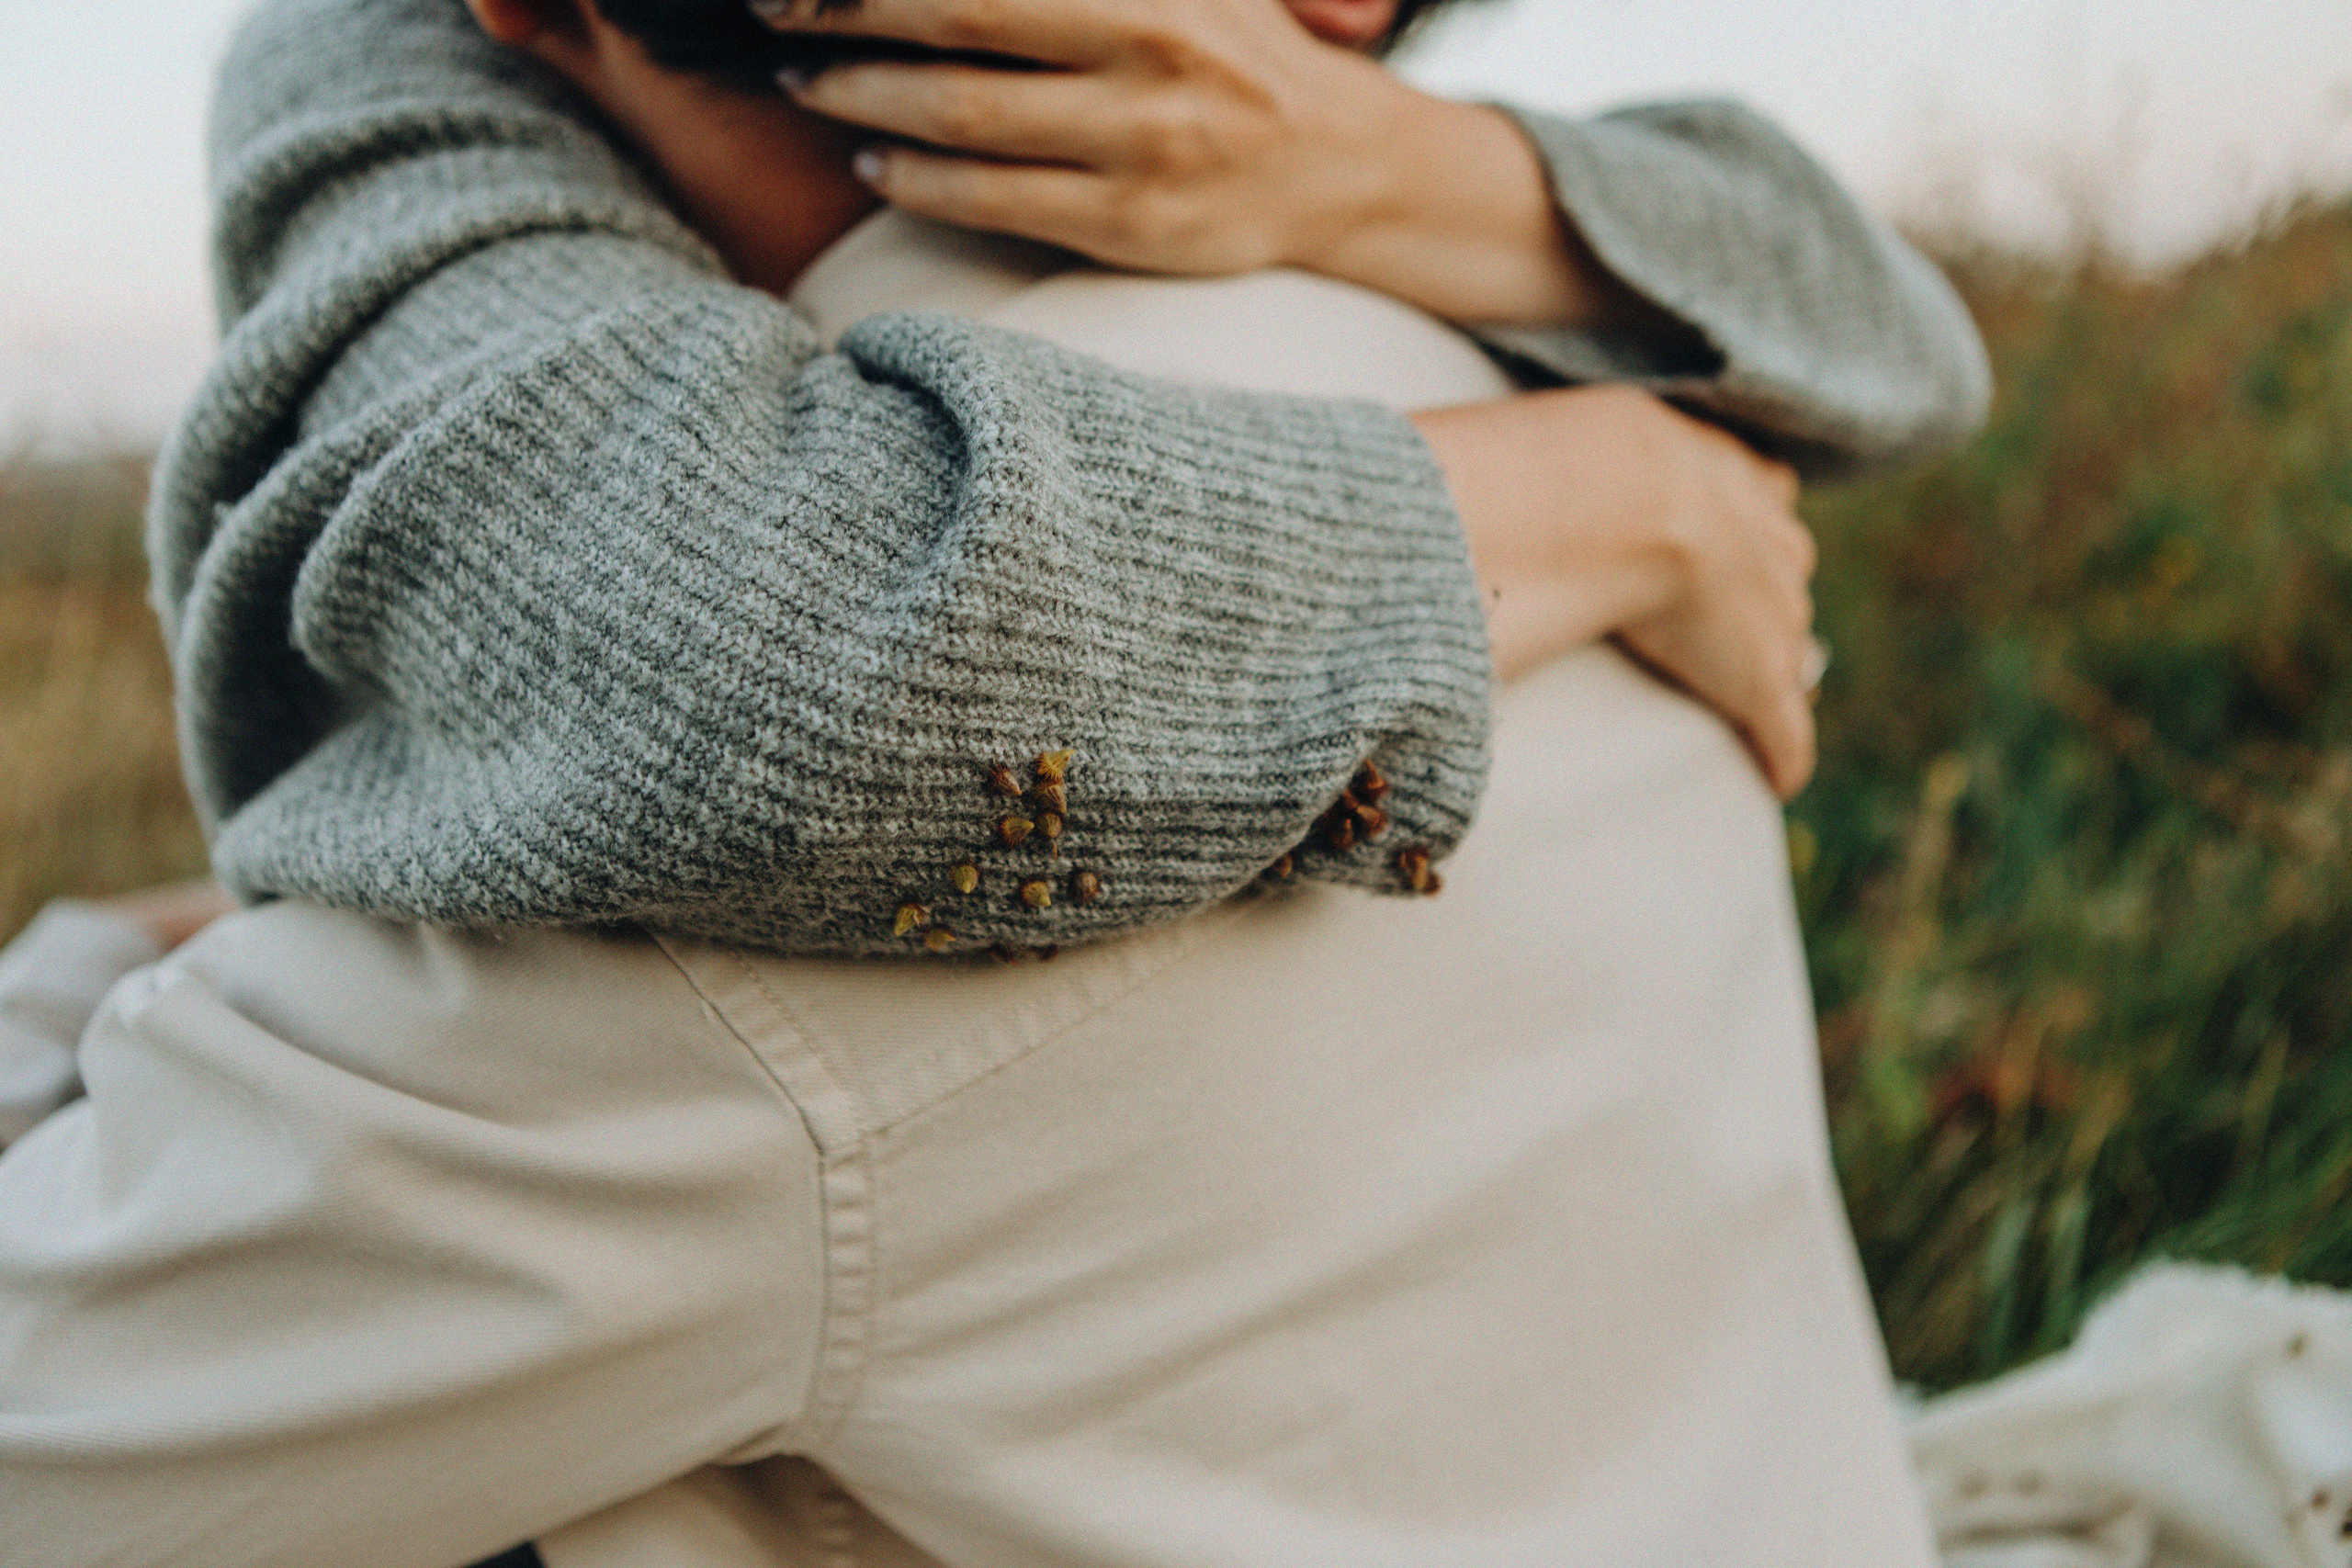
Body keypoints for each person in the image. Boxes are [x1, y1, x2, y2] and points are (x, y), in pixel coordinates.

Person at [0, 0, 1989, 1562]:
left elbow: (53, 1458)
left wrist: (73, 974)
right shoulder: (1515, 352)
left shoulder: (693, 915)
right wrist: (1617, 476)